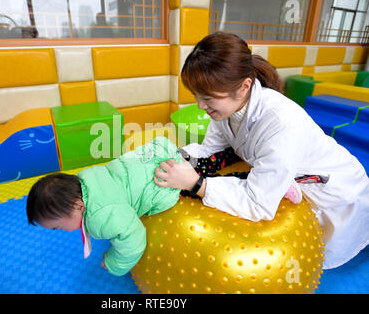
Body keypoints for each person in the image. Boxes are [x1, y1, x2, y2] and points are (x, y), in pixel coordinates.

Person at [154, 32, 368, 270]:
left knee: (331, 253)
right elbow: (209, 148)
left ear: (244, 86)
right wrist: (176, 155)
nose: (200, 106)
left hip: (337, 192)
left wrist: (196, 184)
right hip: (291, 173)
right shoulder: (226, 110)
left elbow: (258, 203)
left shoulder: (280, 122)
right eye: (196, 96)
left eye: (208, 98)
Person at [26, 137, 183, 276]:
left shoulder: (99, 218)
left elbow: (134, 238)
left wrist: (113, 263)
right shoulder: (85, 178)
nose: (61, 231)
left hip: (162, 184)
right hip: (158, 154)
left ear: (78, 206)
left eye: (58, 227)